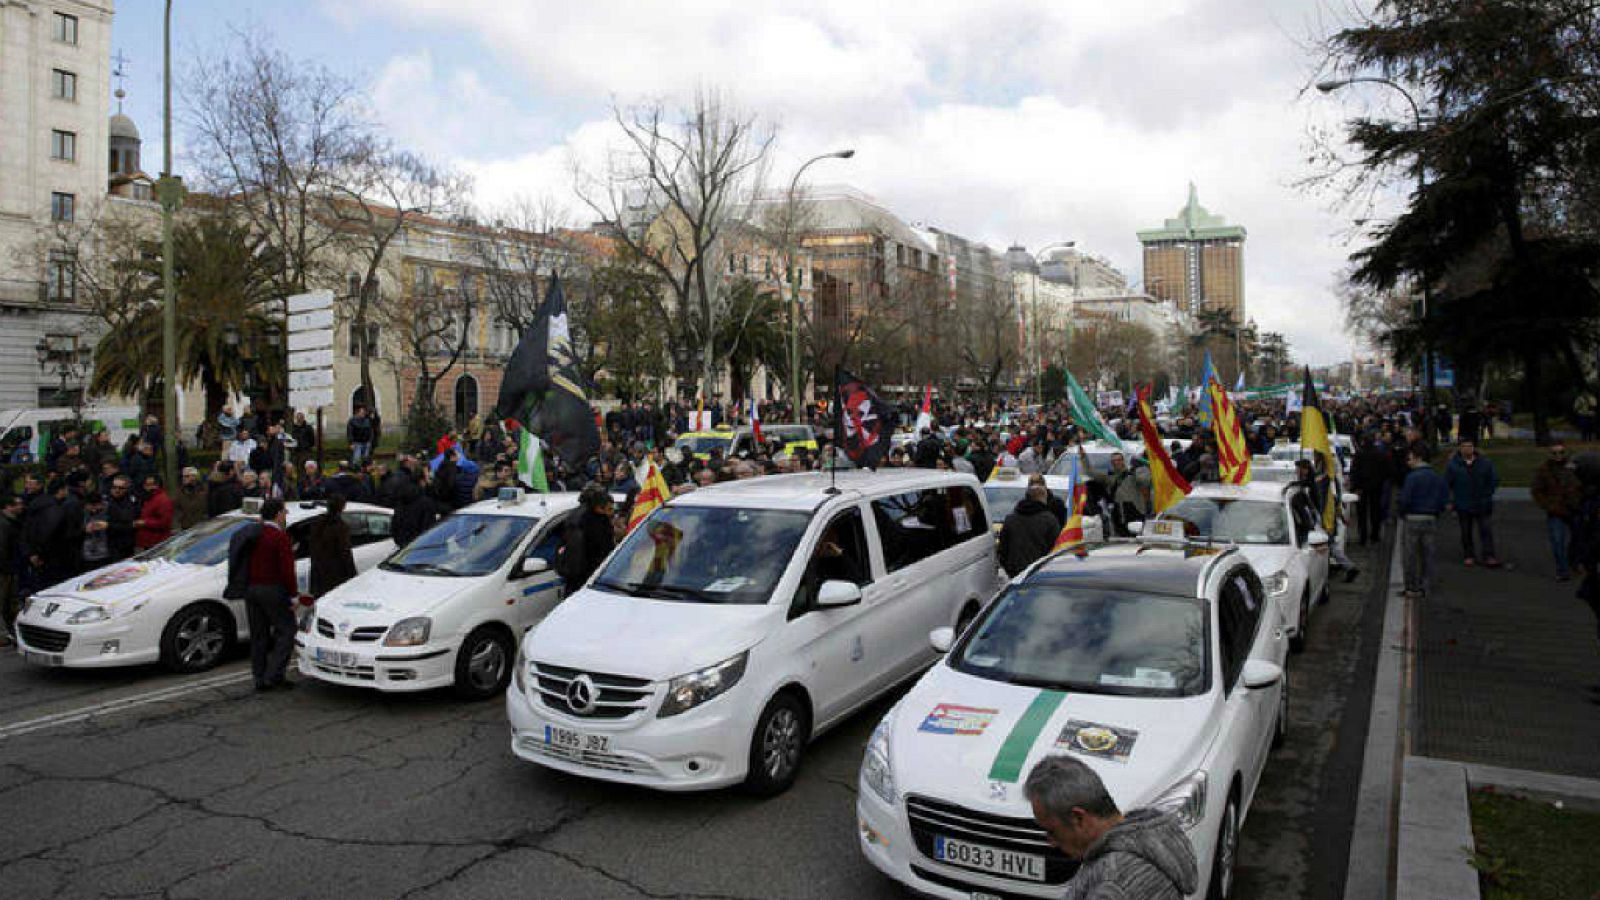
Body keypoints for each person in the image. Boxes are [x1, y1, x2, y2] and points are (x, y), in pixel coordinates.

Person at [1025, 755, 1198, 900]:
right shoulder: (1149, 838)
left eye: (1052, 831)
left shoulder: (1112, 882)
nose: (1051, 842)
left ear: (1078, 818)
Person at [238, 498, 297, 690]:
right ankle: (274, 674)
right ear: (277, 514)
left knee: (259, 635)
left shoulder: (253, 533)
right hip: (273, 588)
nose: (285, 515)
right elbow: (287, 569)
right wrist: (293, 594)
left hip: (252, 588)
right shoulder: (279, 537)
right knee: (286, 630)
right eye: (284, 512)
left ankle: (259, 676)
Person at [1396, 445, 1449, 598]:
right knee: (1428, 554)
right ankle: (1426, 585)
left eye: (1410, 458)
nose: (1408, 462)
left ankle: (1411, 587)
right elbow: (1443, 497)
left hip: (1413, 518)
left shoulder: (1412, 477)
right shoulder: (1437, 477)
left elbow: (1406, 499)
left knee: (1410, 555)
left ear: (1417, 458)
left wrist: (1401, 511)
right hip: (1430, 518)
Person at [1444, 438, 1500, 567]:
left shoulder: (1485, 463)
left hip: (1482, 503)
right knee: (1466, 531)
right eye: (1464, 446)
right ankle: (1469, 555)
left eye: (1470, 446)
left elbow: (1493, 480)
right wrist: (1450, 501)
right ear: (1459, 448)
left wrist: (1487, 494)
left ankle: (1489, 555)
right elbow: (1447, 483)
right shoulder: (1453, 465)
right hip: (1463, 503)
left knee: (1486, 530)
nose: (1467, 449)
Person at [1531, 443, 1582, 581]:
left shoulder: (1575, 467)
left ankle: (1574, 563)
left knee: (1578, 539)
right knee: (1557, 541)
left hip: (1575, 509)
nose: (1558, 456)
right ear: (1550, 454)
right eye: (1555, 453)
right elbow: (1537, 491)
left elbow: (1585, 483)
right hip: (1556, 511)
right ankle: (1562, 570)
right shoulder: (1543, 470)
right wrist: (1548, 505)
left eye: (1561, 452)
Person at [557, 484, 616, 593]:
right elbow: (605, 550)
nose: (611, 512)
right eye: (607, 508)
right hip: (591, 576)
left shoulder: (573, 515)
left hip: (573, 576)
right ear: (598, 505)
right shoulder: (597, 521)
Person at [999, 484, 1061, 577]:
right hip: (1041, 572)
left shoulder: (1010, 519)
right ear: (1043, 498)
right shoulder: (1049, 520)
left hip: (1015, 574)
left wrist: (1009, 567)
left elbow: (1003, 548)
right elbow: (1057, 548)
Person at [307, 494, 358, 599]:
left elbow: (312, 545)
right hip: (334, 575)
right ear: (342, 507)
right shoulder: (340, 527)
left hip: (318, 573)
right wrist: (353, 576)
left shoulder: (318, 523)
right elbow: (345, 553)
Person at [1349, 435, 1393, 546]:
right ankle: (1375, 535)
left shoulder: (1359, 454)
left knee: (1362, 513)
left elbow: (1354, 471)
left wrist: (1354, 487)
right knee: (1375, 511)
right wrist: (1380, 482)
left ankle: (1363, 537)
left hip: (1361, 488)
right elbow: (1387, 471)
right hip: (1376, 487)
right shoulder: (1380, 454)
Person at [0, 495, 23, 640]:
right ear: (8, 507)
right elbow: (2, 549)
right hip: (5, 570)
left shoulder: (10, 522)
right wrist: (7, 569)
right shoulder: (4, 524)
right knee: (4, 601)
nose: (21, 506)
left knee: (9, 602)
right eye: (18, 504)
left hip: (9, 568)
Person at [104, 476, 140, 561]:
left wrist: (108, 525)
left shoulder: (131, 503)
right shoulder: (106, 500)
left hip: (124, 545)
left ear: (127, 489)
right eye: (114, 487)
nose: (117, 490)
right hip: (105, 545)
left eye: (121, 488)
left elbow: (130, 525)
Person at [134, 475, 174, 550]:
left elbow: (164, 522)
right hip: (148, 542)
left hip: (158, 543)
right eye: (146, 485)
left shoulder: (163, 500)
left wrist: (144, 522)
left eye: (151, 484)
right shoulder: (148, 498)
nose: (148, 487)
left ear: (157, 485)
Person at [173, 466, 208, 530]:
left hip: (201, 526)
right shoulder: (179, 492)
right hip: (186, 527)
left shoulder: (203, 491)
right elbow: (176, 507)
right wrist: (182, 518)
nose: (184, 478)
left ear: (194, 477)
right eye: (184, 476)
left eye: (187, 476)